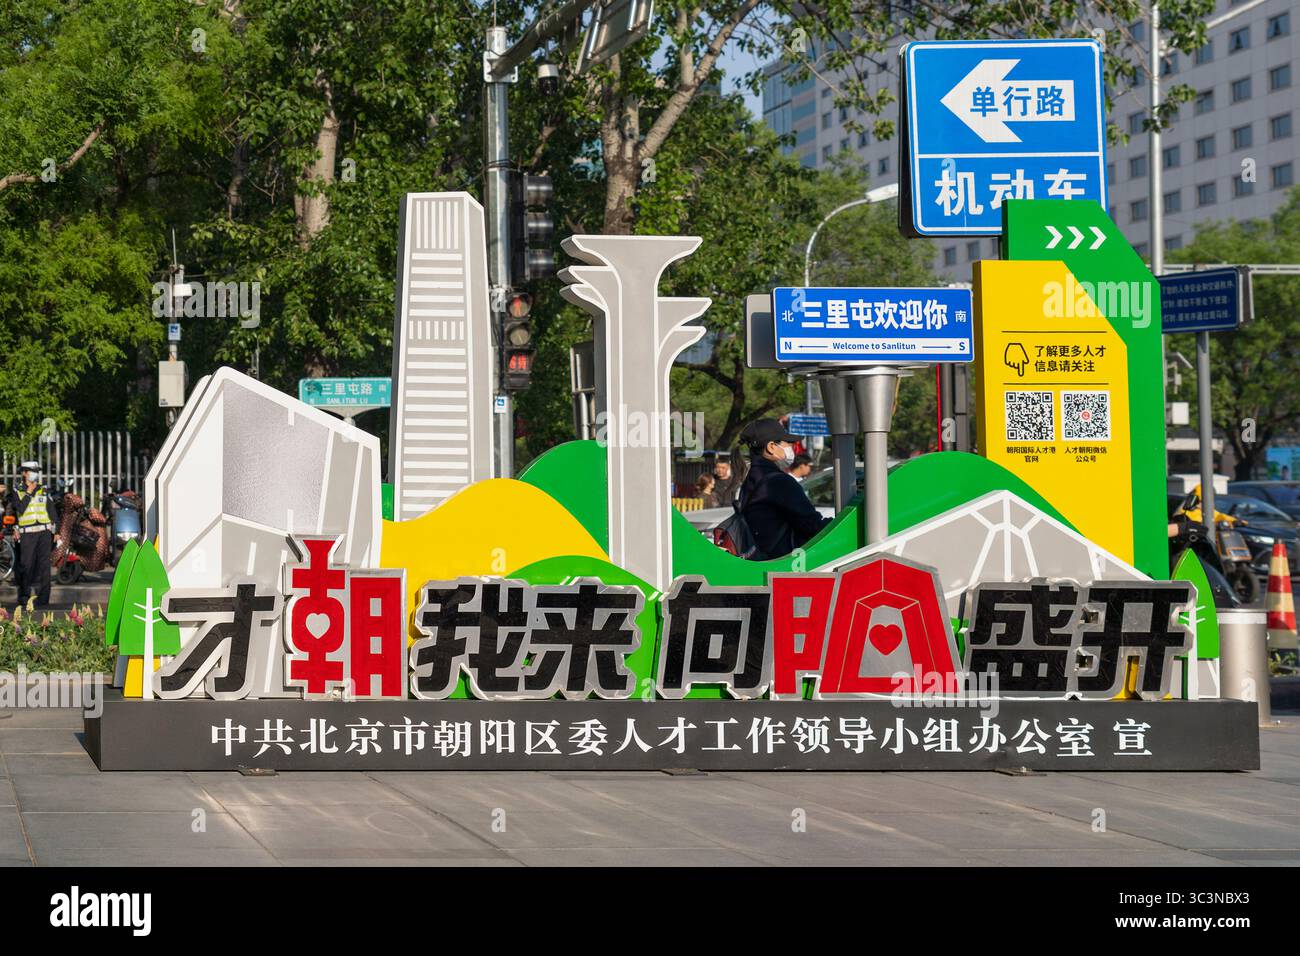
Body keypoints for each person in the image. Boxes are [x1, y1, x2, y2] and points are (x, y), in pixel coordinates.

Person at [737, 419, 831, 560]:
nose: (791, 447)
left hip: (762, 561)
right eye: (788, 443)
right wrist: (841, 524)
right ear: (771, 447)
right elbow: (812, 525)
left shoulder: (753, 479)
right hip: (783, 563)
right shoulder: (778, 481)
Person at [4, 461, 60, 607]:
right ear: (24, 473)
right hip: (27, 534)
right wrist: (29, 492)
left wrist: (57, 530)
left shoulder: (43, 489)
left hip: (44, 532)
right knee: (26, 566)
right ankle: (24, 596)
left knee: (44, 567)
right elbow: (20, 509)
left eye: (36, 470)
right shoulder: (17, 490)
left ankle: (43, 599)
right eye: (31, 470)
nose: (35, 473)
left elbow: (52, 510)